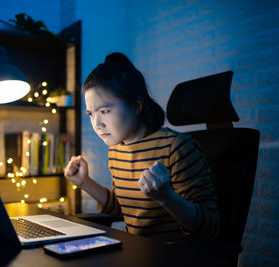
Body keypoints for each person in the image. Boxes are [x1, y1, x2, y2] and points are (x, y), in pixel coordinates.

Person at [64, 52, 219, 243]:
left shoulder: (177, 148)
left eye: (104, 111)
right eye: (91, 114)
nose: (97, 124)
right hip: (135, 252)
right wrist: (85, 182)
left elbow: (210, 227)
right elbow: (125, 210)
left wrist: (166, 197)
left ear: (136, 106)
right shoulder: (116, 150)